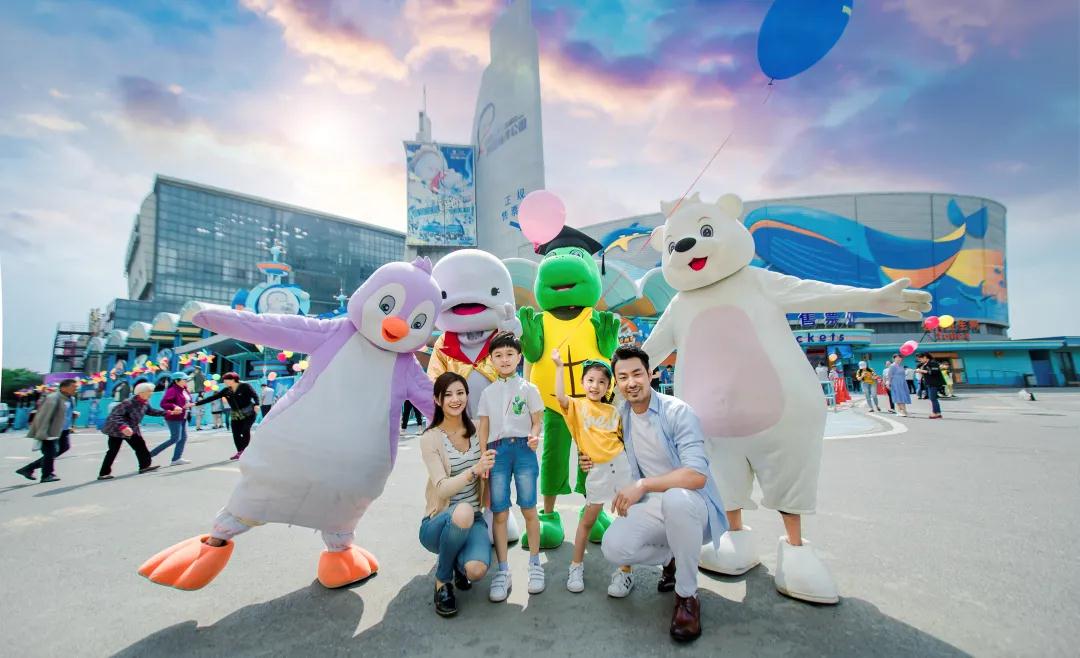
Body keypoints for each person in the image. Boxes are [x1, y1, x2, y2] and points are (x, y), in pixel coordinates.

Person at [589, 345, 727, 643]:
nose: (631, 382)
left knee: (676, 499)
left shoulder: (677, 412)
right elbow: (605, 451)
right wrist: (589, 459)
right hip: (653, 505)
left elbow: (696, 475)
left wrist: (643, 485)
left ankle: (687, 596)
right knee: (613, 547)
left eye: (637, 374)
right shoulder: (620, 416)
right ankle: (672, 556)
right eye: (623, 377)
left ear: (650, 374)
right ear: (616, 382)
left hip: (691, 505)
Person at [551, 349, 632, 595]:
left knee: (627, 520)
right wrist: (559, 367)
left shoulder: (614, 411)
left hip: (622, 467)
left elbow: (624, 440)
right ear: (583, 382)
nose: (595, 386)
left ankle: (625, 572)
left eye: (602, 382)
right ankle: (576, 566)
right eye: (591, 380)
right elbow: (560, 397)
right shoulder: (577, 406)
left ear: (608, 386)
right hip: (597, 472)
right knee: (587, 520)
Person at [419, 372, 496, 617]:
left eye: (460, 393)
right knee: (462, 511)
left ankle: (458, 563)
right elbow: (442, 488)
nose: (455, 399)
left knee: (476, 571)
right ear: (437, 400)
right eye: (448, 395)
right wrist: (474, 470)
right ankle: (442, 580)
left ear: (467, 395)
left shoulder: (478, 429)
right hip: (438, 522)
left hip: (475, 518)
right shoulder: (430, 438)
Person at [476, 331, 545, 602]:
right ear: (491, 360)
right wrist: (483, 455)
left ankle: (535, 565)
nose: (504, 359)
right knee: (500, 512)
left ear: (519, 357)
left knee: (529, 508)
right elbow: (483, 426)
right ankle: (503, 571)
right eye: (498, 355)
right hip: (497, 452)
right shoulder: (487, 392)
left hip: (524, 450)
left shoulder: (529, 389)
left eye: (509, 354)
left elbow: (537, 420)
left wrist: (535, 436)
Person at [15, 379, 80, 483]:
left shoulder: (71, 398)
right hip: (50, 429)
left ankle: (28, 469)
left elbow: (63, 412)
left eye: (76, 387)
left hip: (64, 430)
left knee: (63, 448)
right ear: (63, 388)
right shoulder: (52, 398)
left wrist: (72, 416)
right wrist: (42, 432)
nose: (76, 389)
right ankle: (47, 475)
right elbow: (43, 416)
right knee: (51, 452)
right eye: (73, 387)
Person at [97, 382, 164, 480]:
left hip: (131, 429)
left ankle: (144, 466)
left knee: (140, 446)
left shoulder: (145, 402)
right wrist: (123, 427)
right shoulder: (128, 403)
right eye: (149, 391)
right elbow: (115, 415)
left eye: (151, 391)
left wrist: (167, 413)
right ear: (141, 392)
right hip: (116, 430)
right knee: (113, 451)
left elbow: (151, 411)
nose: (151, 393)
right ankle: (103, 474)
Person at [195, 372, 259, 460]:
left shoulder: (245, 386)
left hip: (249, 413)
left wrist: (257, 404)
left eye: (226, 380)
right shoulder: (226, 390)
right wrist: (196, 403)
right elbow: (213, 397)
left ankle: (245, 451)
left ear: (233, 380)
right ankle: (240, 451)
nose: (224, 382)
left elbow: (255, 395)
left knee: (245, 430)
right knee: (236, 434)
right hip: (235, 414)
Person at [149, 372, 195, 466]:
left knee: (183, 438)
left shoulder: (184, 389)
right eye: (184, 379)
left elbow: (185, 402)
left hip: (183, 417)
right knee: (175, 438)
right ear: (177, 381)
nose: (186, 381)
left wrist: (189, 405)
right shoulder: (172, 390)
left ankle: (176, 459)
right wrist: (175, 406)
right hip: (174, 417)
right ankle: (149, 454)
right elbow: (164, 403)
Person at [916, 352, 944, 419]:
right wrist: (920, 371)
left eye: (920, 359)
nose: (920, 360)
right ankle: (938, 413)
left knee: (933, 398)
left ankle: (935, 413)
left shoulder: (933, 363)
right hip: (929, 383)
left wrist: (921, 371)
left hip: (933, 383)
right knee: (932, 398)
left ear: (925, 357)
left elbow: (934, 372)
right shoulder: (925, 364)